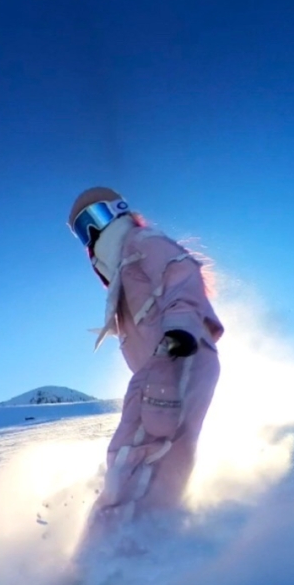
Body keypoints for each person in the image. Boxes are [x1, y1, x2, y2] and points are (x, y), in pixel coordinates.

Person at [68, 188, 223, 545]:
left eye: (95, 219)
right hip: (172, 361)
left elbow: (180, 272)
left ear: (118, 210)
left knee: (136, 450)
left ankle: (109, 550)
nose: (92, 235)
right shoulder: (124, 273)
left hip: (176, 354)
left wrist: (179, 330)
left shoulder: (142, 242)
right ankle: (156, 537)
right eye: (82, 230)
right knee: (168, 452)